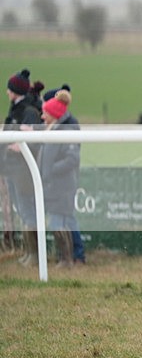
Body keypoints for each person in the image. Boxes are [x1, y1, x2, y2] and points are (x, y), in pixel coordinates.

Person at [41, 85, 85, 263]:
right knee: (66, 219)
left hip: (62, 185)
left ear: (53, 114)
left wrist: (50, 170)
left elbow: (71, 159)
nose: (42, 116)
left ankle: (68, 258)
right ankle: (73, 256)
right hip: (57, 184)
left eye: (45, 113)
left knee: (58, 222)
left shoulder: (66, 129)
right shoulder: (54, 129)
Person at [2, 69, 42, 265]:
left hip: (23, 170)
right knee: (22, 211)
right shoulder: (16, 109)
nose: (7, 92)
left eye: (9, 89)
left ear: (16, 91)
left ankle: (34, 256)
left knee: (27, 212)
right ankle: (29, 253)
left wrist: (20, 147)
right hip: (12, 169)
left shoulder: (28, 112)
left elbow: (35, 141)